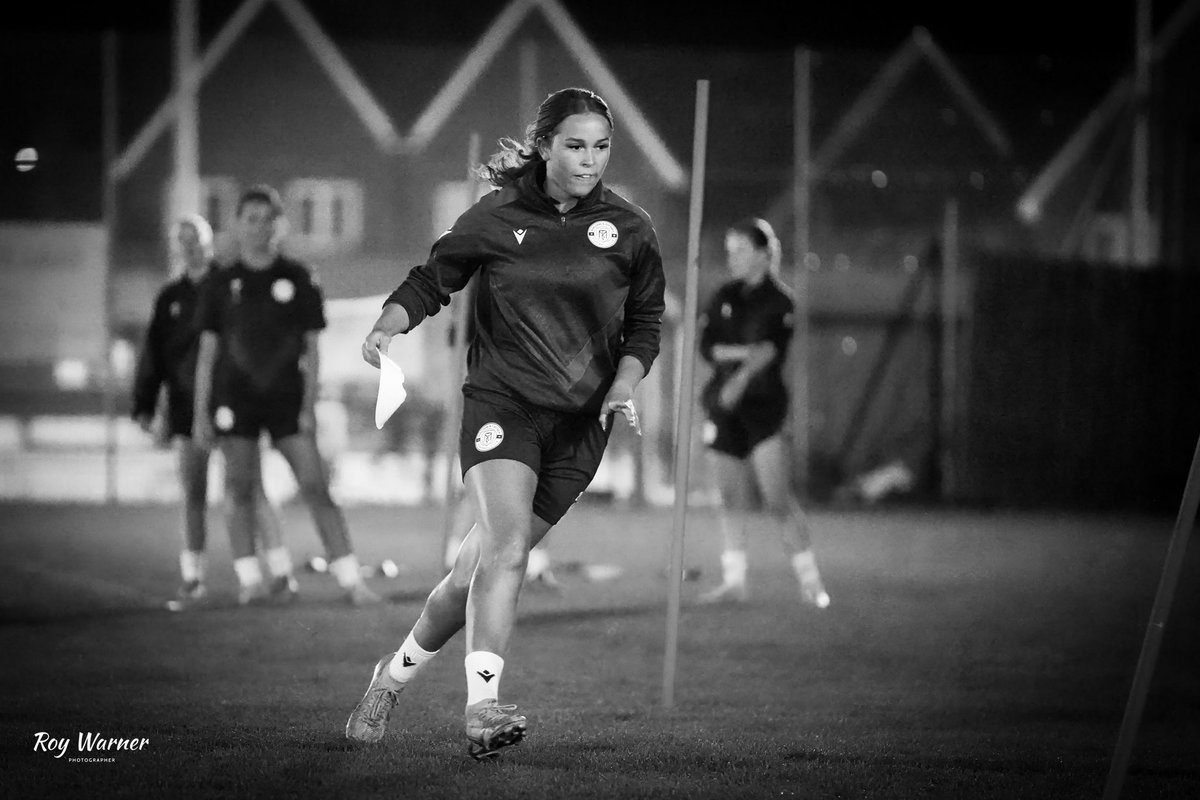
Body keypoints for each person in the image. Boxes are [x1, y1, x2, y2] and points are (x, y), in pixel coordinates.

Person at [345, 87, 664, 759]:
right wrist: (387, 325)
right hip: (503, 405)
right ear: (545, 146)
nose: (589, 160)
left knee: (469, 573)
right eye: (575, 146)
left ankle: (390, 677)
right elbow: (433, 279)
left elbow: (645, 325)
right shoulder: (497, 216)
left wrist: (624, 385)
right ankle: (483, 709)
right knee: (510, 548)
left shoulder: (631, 230)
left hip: (582, 427)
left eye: (601, 147)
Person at [192, 185, 380, 606]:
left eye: (266, 219)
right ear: (238, 225)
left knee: (315, 486)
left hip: (287, 400)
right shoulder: (220, 282)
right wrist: (200, 414)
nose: (258, 227)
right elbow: (207, 354)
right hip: (234, 399)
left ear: (281, 225)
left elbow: (313, 351)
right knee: (239, 488)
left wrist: (309, 407)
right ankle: (250, 581)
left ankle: (352, 582)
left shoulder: (298, 277)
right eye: (250, 219)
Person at [131, 213, 297, 610]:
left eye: (195, 237)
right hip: (187, 406)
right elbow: (154, 355)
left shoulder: (229, 286)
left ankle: (279, 572)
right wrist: (145, 405)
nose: (188, 245)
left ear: (209, 242)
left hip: (233, 402)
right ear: (175, 246)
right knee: (194, 491)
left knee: (248, 486)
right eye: (181, 238)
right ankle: (193, 577)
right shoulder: (169, 298)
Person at [695, 217, 830, 609]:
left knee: (776, 498)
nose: (732, 258)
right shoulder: (724, 294)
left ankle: (811, 585)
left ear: (761, 254)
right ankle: (734, 582)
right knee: (728, 497)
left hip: (763, 410)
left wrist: (739, 375)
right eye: (729, 251)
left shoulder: (780, 301)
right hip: (722, 408)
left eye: (739, 250)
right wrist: (741, 358)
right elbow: (709, 347)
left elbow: (769, 351)